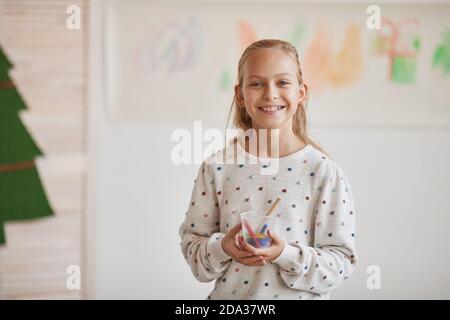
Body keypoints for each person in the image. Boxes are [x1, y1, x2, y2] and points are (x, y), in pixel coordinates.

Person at [179, 39, 357, 299]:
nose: (270, 93)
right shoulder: (217, 168)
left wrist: (284, 253)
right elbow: (196, 257)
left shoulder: (323, 172)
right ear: (240, 95)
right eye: (256, 83)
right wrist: (224, 247)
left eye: (283, 82)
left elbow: (340, 264)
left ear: (301, 93)